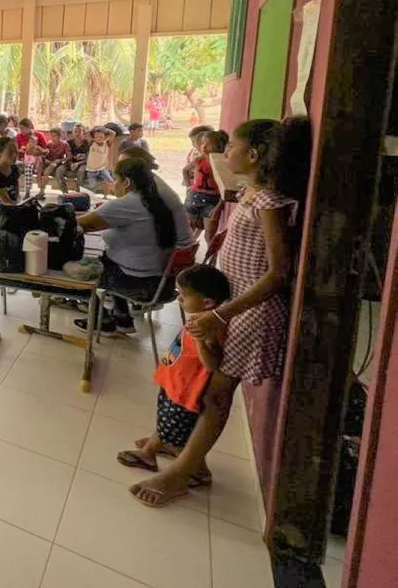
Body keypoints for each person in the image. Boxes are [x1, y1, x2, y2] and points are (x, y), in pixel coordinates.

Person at [129, 118, 309, 508]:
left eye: (232, 148)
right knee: (206, 385)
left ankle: (180, 474)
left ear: (255, 155)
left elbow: (279, 272)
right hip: (232, 304)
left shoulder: (269, 202)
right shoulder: (252, 191)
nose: (224, 154)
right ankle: (193, 462)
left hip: (249, 311)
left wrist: (224, 314)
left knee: (216, 396)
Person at [116, 265, 232, 486]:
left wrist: (200, 340)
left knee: (181, 432)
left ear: (207, 302)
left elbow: (212, 363)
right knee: (167, 420)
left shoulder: (208, 327)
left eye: (183, 296)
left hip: (185, 390)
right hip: (175, 381)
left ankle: (197, 471)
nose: (179, 300)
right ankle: (155, 446)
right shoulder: (201, 317)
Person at [73, 157, 191, 334]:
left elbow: (78, 224)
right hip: (161, 282)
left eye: (116, 180)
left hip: (139, 285)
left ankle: (102, 318)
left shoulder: (129, 203)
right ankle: (122, 318)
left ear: (126, 182)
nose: (114, 184)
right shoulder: (155, 199)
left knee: (76, 269)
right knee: (108, 259)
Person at [186, 130, 228, 239]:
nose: (203, 147)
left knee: (209, 234)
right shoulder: (199, 160)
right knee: (188, 229)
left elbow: (225, 188)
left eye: (209, 144)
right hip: (195, 196)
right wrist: (188, 187)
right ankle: (189, 254)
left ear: (219, 146)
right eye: (203, 143)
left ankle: (210, 256)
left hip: (213, 199)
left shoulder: (222, 164)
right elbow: (185, 170)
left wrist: (219, 207)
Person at [56, 123, 90, 192]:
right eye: (75, 131)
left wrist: (78, 164)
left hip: (82, 163)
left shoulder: (88, 143)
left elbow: (88, 159)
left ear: (83, 132)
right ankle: (65, 192)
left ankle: (77, 192)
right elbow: (68, 156)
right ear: (73, 133)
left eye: (79, 131)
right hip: (69, 162)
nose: (77, 133)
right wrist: (71, 163)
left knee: (81, 171)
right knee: (59, 170)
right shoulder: (69, 142)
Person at [37, 127, 69, 195]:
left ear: (59, 136)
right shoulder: (49, 144)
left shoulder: (64, 145)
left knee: (47, 171)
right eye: (51, 136)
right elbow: (44, 155)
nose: (52, 138)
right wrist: (46, 160)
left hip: (59, 163)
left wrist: (60, 160)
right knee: (41, 167)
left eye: (54, 136)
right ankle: (41, 190)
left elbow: (69, 157)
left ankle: (65, 193)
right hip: (50, 163)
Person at [84, 127, 113, 193]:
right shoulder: (92, 143)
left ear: (105, 137)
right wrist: (96, 127)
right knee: (92, 186)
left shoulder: (107, 144)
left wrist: (104, 128)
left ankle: (106, 196)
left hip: (102, 169)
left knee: (110, 181)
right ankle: (87, 190)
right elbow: (86, 132)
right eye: (97, 137)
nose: (99, 138)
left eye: (101, 136)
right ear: (94, 138)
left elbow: (113, 133)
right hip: (91, 170)